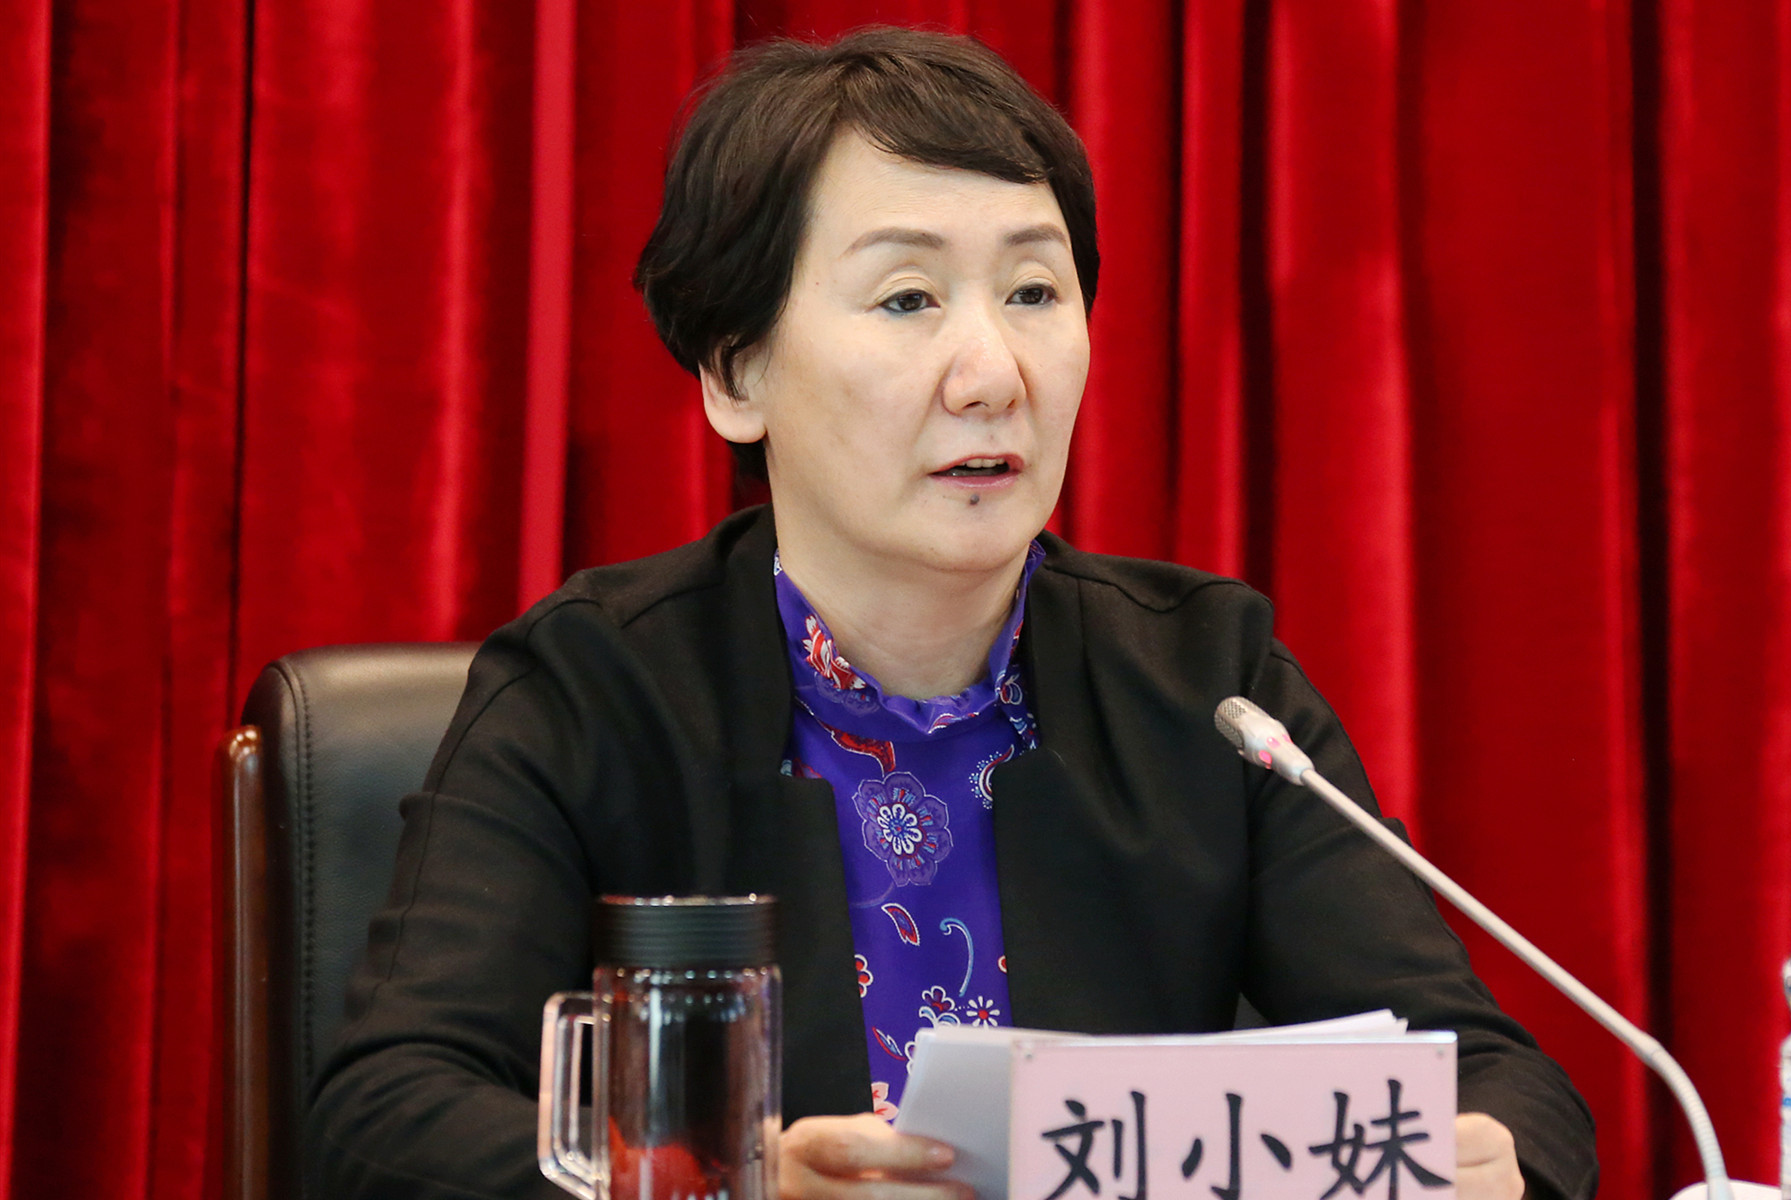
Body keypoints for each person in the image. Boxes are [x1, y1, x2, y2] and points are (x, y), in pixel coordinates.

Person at [304, 27, 1597, 1200]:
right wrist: (730, 1186)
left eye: (1034, 292)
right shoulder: (592, 687)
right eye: (909, 299)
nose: (993, 374)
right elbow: (382, 1115)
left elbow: (1499, 1086)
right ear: (736, 373)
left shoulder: (1209, 681)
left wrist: (1494, 1166)